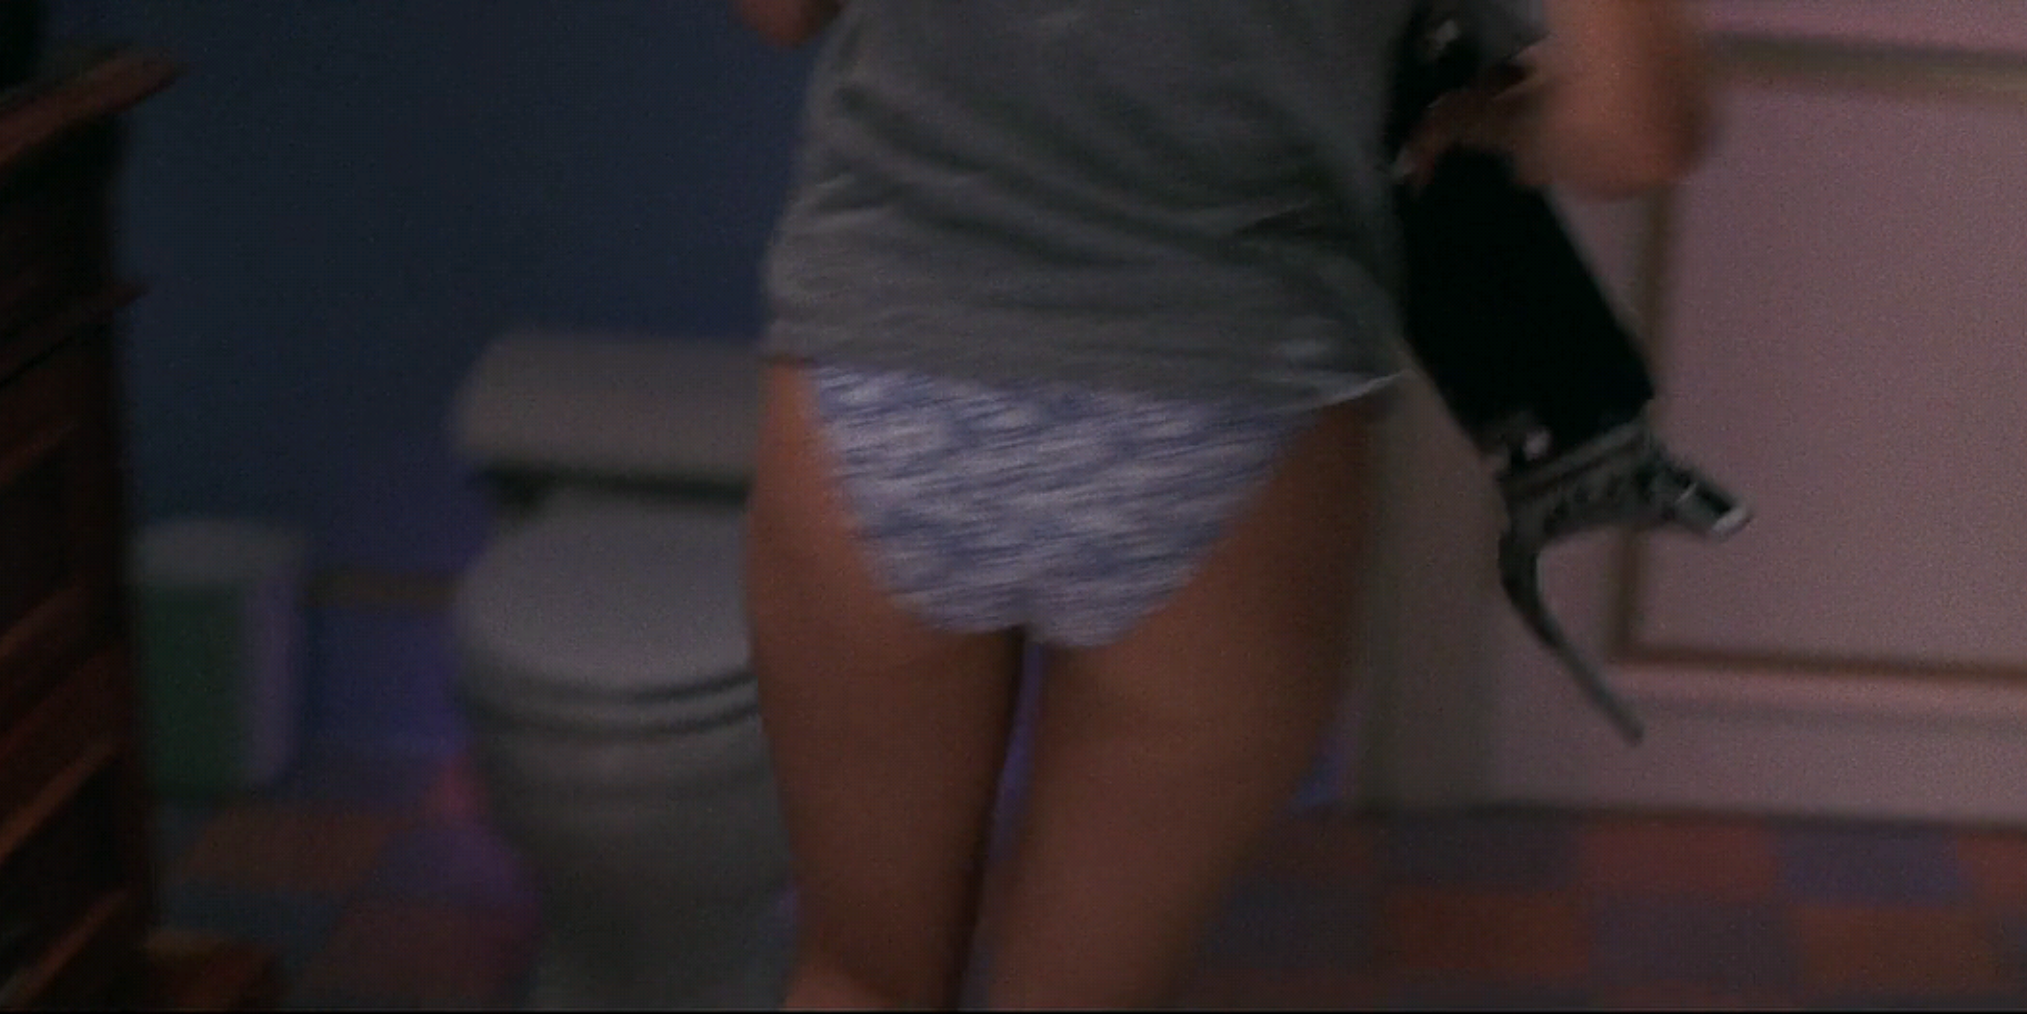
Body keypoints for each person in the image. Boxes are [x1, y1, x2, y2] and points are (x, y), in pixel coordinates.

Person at [733, 0, 1712, 1007]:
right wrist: (1495, 118)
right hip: (1227, 397)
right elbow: (1635, 137)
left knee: (858, 979)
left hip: (886, 363)